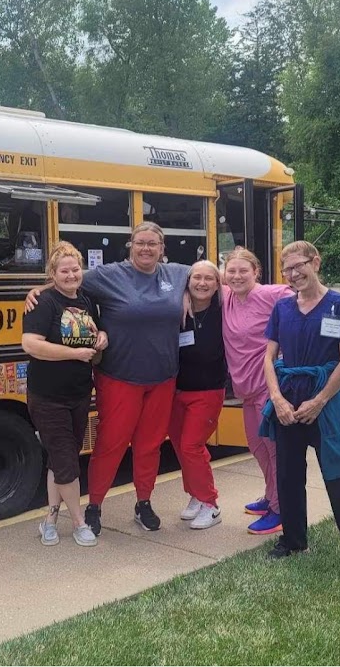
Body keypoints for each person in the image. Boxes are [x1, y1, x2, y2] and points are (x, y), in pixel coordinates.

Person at [27, 222, 190, 535]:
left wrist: (187, 296)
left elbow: (214, 277)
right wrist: (36, 291)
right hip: (119, 377)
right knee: (110, 444)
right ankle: (95, 505)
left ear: (161, 247)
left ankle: (144, 503)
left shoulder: (177, 274)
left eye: (152, 244)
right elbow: (67, 280)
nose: (146, 248)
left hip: (163, 378)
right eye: (140, 243)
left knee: (150, 446)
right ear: (130, 245)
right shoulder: (109, 275)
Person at [261, 241, 340, 570]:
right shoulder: (282, 308)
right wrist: (277, 398)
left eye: (299, 266)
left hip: (324, 402)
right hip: (288, 401)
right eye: (287, 269)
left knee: (339, 475)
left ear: (316, 262)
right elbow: (268, 358)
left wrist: (320, 400)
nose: (293, 274)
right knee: (288, 475)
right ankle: (294, 541)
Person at [22, 242, 107, 547]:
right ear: (52, 274)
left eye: (75, 269)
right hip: (47, 395)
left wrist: (101, 338)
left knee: (60, 460)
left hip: (79, 393)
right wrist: (73, 354)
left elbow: (97, 335)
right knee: (67, 461)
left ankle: (49, 520)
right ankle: (80, 522)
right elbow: (30, 344)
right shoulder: (43, 302)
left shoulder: (86, 300)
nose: (71, 275)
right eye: (64, 270)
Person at [222, 248, 293, 535]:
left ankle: (280, 510)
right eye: (232, 271)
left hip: (268, 386)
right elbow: (196, 278)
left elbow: (306, 297)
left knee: (275, 450)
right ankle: (270, 495)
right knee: (256, 446)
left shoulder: (271, 295)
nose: (237, 276)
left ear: (256, 273)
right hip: (245, 389)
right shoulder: (226, 296)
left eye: (243, 271)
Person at [170, 260, 226, 530]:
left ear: (218, 284)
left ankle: (210, 504)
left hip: (208, 391)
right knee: (181, 447)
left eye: (209, 279)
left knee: (192, 446)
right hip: (176, 390)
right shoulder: (177, 308)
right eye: (196, 278)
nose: (202, 283)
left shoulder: (225, 310)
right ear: (187, 282)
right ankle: (195, 494)